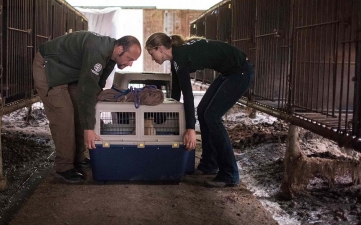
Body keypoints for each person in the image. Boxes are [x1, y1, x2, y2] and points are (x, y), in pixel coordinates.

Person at [145, 33, 254, 188]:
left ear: (160, 48)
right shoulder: (176, 57)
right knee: (203, 111)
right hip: (229, 73)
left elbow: (188, 96)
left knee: (212, 117)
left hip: (241, 72)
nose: (152, 58)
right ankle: (209, 164)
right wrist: (163, 116)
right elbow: (176, 92)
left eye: (151, 53)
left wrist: (190, 128)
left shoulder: (180, 57)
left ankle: (229, 173)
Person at [33, 31, 142, 183]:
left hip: (68, 72)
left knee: (79, 111)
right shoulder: (98, 51)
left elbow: (97, 86)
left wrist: (96, 110)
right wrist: (89, 128)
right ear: (119, 49)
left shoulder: (111, 56)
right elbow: (87, 89)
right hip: (49, 68)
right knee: (64, 116)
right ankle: (64, 167)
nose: (130, 63)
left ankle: (78, 157)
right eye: (130, 59)